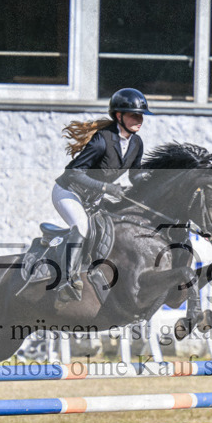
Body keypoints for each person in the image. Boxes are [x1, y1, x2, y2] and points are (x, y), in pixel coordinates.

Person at [51, 88, 153, 297]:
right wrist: (107, 188)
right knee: (82, 226)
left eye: (141, 115)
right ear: (119, 116)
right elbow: (72, 173)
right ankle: (67, 281)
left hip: (93, 198)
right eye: (134, 114)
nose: (139, 119)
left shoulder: (136, 143)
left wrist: (152, 179)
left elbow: (135, 175)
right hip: (68, 192)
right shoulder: (101, 140)